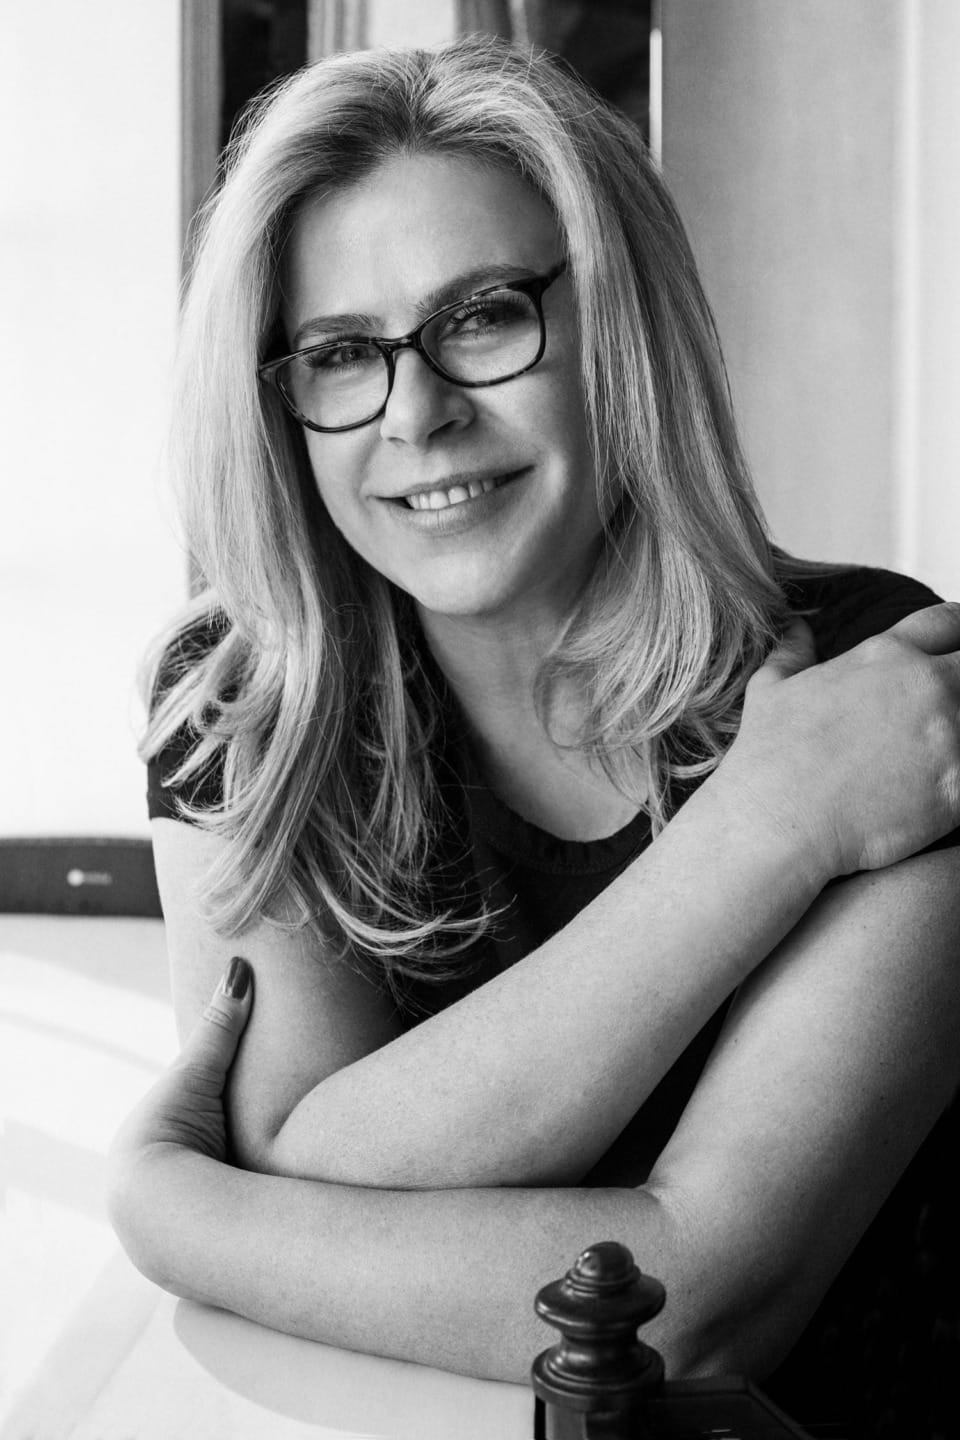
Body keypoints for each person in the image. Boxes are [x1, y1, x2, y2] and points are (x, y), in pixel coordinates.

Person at [109, 35, 960, 1435]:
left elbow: (686, 1311)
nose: (420, 412)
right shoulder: (241, 702)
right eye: (339, 355)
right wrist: (772, 835)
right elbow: (295, 1147)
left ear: (622, 324)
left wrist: (172, 1205)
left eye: (487, 315)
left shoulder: (883, 684)